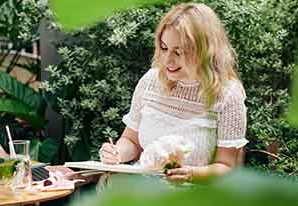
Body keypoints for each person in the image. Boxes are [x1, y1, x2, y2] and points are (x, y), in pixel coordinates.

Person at [99, 2, 248, 183]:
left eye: (179, 52)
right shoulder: (150, 81)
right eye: (163, 48)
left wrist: (191, 174)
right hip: (141, 192)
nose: (167, 59)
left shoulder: (227, 94)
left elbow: (226, 167)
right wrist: (116, 153)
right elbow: (132, 141)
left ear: (204, 51)